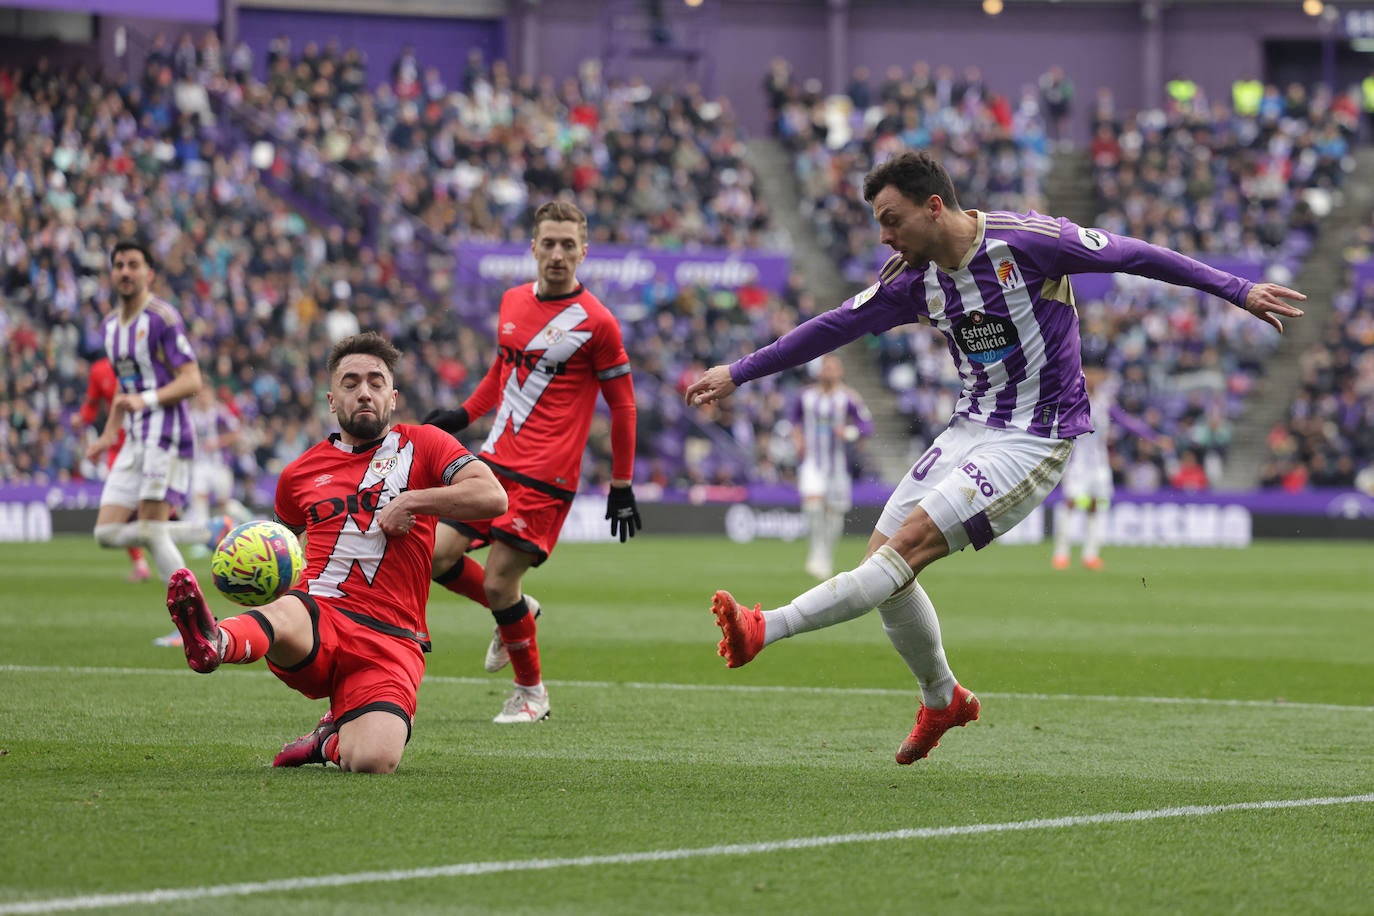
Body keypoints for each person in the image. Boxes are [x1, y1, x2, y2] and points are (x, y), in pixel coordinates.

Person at [684, 150, 1305, 766]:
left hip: (1035, 434)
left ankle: (767, 627)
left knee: (903, 554)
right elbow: (832, 327)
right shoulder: (914, 280)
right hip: (968, 429)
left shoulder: (1030, 243)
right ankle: (942, 698)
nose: (883, 235)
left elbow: (1135, 254)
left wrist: (1239, 289)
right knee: (884, 571)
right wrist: (739, 373)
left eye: (891, 218)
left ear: (934, 207)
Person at [164, 332, 507, 773]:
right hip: (318, 620)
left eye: (375, 382)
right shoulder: (297, 475)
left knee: (374, 762)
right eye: (350, 383)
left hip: (392, 638)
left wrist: (412, 501)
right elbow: (280, 556)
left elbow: (492, 496)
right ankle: (217, 640)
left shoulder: (425, 444)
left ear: (392, 396)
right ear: (332, 400)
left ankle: (328, 742)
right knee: (292, 609)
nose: (364, 391)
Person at [422, 199, 641, 725]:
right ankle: (521, 613)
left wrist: (622, 483)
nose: (559, 254)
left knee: (499, 583)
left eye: (569, 245)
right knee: (434, 558)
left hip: (547, 476)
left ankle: (531, 695)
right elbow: (504, 371)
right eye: (550, 243)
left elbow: (624, 406)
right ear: (534, 248)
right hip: (493, 461)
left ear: (584, 252)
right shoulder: (512, 301)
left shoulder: (598, 324)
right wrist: (462, 414)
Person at [85, 240, 207, 642]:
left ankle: (196, 626)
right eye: (118, 264)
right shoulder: (108, 327)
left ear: (148, 273)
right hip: (134, 438)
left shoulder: (162, 318)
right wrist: (107, 435)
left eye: (133, 265)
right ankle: (207, 530)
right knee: (105, 534)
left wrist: (146, 399)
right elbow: (124, 389)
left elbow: (192, 380)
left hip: (166, 435)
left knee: (153, 530)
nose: (124, 271)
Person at [792, 354, 873, 580]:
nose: (828, 371)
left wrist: (848, 433)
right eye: (825, 367)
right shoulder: (806, 397)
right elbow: (794, 421)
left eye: (833, 367)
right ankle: (816, 551)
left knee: (834, 512)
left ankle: (826, 555)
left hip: (838, 465)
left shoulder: (848, 398)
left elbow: (866, 427)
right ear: (819, 371)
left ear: (840, 372)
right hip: (812, 462)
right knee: (813, 504)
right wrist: (797, 439)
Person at [72, 356, 150, 583]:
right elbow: (92, 405)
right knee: (121, 507)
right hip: (118, 447)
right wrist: (82, 419)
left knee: (149, 506)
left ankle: (188, 527)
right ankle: (140, 563)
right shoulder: (99, 370)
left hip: (149, 442)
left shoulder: (144, 359)